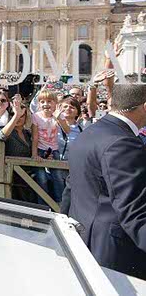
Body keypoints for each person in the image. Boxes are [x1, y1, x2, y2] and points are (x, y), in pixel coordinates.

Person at [68, 83, 146, 280]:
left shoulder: (90, 132)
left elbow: (70, 190)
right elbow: (134, 212)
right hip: (115, 255)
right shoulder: (123, 142)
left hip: (82, 242)